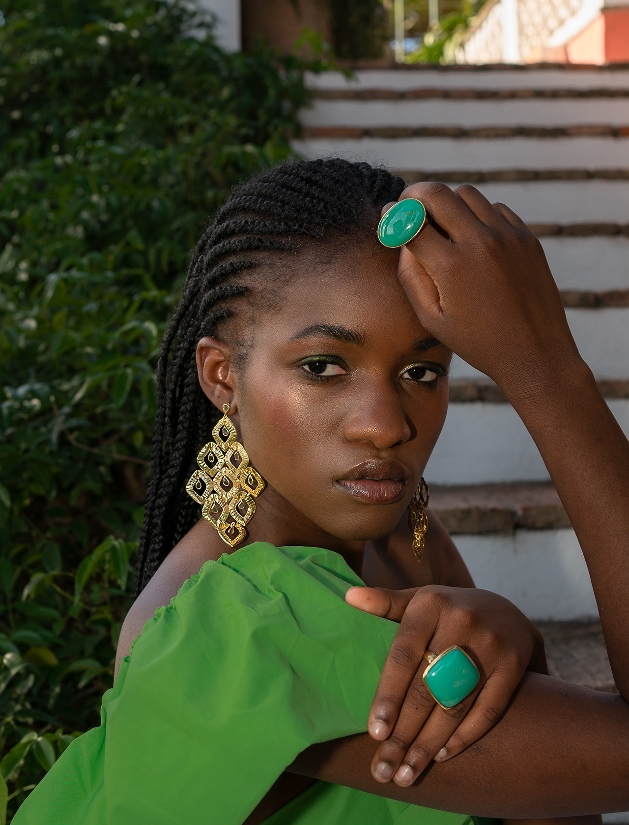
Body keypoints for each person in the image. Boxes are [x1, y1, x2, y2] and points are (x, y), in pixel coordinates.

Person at [13, 160, 629, 825]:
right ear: (222, 377)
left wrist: (519, 641)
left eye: (422, 369)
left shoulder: (404, 545)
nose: (386, 423)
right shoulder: (236, 623)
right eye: (322, 366)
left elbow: (550, 810)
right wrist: (543, 366)